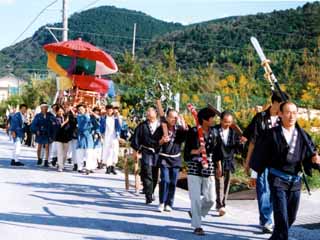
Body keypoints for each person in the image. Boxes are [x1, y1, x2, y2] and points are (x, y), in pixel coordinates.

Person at [250, 101, 320, 240]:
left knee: (291, 216)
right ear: (280, 114)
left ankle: (276, 237)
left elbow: (308, 155)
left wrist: (315, 161)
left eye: (294, 113)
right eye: (288, 112)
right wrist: (254, 175)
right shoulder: (271, 135)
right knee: (281, 215)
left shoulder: (303, 135)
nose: (291, 116)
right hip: (277, 179)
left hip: (295, 180)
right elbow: (260, 155)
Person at [242, 91, 283, 233]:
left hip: (279, 162)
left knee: (275, 191)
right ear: (275, 103)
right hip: (262, 161)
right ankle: (266, 220)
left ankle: (266, 217)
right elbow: (252, 142)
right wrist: (248, 162)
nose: (283, 108)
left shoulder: (283, 119)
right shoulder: (260, 118)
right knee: (263, 190)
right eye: (281, 104)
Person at [184, 107, 222, 236]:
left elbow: (217, 152)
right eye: (212, 118)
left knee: (211, 198)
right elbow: (187, 152)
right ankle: (197, 226)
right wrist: (197, 151)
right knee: (195, 198)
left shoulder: (214, 132)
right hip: (194, 166)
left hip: (209, 165)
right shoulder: (194, 131)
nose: (214, 120)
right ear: (205, 119)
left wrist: (219, 166)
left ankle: (195, 212)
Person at [155, 109, 188, 212]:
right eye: (172, 117)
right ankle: (162, 202)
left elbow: (186, 136)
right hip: (164, 157)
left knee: (173, 182)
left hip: (175, 158)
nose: (174, 119)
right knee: (165, 180)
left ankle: (169, 203)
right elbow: (153, 142)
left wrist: (183, 124)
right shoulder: (161, 128)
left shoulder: (179, 130)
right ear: (167, 117)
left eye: (175, 117)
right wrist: (161, 141)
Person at [213, 111, 243, 216]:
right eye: (225, 122)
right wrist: (218, 165)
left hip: (229, 160)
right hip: (217, 160)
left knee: (226, 183)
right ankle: (220, 205)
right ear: (221, 120)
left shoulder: (234, 132)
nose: (227, 124)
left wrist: (241, 143)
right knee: (219, 183)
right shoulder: (215, 130)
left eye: (230, 122)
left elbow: (238, 150)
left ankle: (223, 204)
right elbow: (214, 148)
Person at [131, 106, 160, 204]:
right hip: (146, 151)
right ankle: (148, 195)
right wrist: (135, 151)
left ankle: (151, 191)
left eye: (150, 111)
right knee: (147, 172)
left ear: (156, 113)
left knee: (155, 173)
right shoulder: (142, 125)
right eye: (147, 111)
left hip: (157, 152)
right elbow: (136, 139)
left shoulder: (161, 125)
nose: (147, 113)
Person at [31, 102, 56, 167]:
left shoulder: (50, 115)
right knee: (39, 147)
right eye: (43, 107)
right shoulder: (38, 116)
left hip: (47, 133)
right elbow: (33, 124)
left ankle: (46, 161)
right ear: (41, 108)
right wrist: (37, 130)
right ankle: (39, 159)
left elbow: (54, 122)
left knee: (47, 147)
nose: (45, 109)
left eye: (46, 107)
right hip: (40, 133)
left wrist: (53, 125)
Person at [101, 105, 121, 174]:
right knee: (107, 151)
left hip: (114, 137)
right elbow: (101, 128)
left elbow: (118, 127)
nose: (109, 112)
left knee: (115, 151)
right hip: (107, 136)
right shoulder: (104, 118)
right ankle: (108, 167)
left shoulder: (115, 118)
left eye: (111, 110)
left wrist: (118, 134)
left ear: (112, 111)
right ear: (106, 111)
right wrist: (101, 135)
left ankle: (113, 166)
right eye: (108, 110)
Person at [76, 104, 95, 174]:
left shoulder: (89, 115)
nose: (80, 111)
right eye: (79, 109)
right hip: (81, 136)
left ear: (84, 109)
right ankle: (80, 167)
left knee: (89, 152)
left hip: (88, 136)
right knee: (80, 152)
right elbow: (84, 122)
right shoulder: (79, 116)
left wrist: (90, 113)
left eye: (82, 109)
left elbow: (94, 122)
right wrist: (87, 113)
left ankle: (88, 168)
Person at [54, 106, 71, 172]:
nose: (60, 112)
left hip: (66, 137)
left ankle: (62, 164)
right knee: (60, 152)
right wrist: (65, 122)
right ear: (57, 112)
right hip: (59, 137)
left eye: (62, 111)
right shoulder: (56, 118)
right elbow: (59, 126)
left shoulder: (67, 117)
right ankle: (60, 166)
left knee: (65, 153)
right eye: (59, 111)